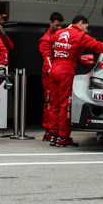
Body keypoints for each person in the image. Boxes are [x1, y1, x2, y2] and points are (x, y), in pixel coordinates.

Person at [48, 14, 103, 147]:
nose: (86, 31)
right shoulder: (79, 36)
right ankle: (63, 137)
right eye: (86, 27)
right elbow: (96, 45)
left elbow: (52, 43)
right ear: (81, 23)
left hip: (54, 68)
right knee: (65, 104)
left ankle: (53, 135)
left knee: (54, 103)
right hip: (65, 70)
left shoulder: (58, 33)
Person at [37, 11, 65, 142]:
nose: (59, 28)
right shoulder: (45, 39)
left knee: (60, 101)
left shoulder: (62, 36)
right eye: (57, 25)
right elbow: (46, 57)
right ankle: (49, 130)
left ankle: (57, 128)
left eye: (61, 26)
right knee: (49, 102)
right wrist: (50, 71)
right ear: (50, 23)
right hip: (49, 75)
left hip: (59, 73)